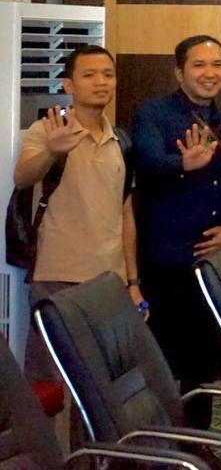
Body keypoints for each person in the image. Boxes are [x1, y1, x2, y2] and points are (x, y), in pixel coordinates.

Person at [13, 45, 141, 379]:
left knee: (103, 378)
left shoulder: (122, 141)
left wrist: (132, 281)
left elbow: (125, 213)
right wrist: (51, 152)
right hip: (57, 276)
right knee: (51, 379)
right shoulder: (47, 130)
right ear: (69, 85)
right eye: (89, 75)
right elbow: (23, 176)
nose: (101, 82)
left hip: (109, 280)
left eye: (108, 75)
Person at [132, 35, 221, 405]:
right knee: (165, 365)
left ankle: (200, 435)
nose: (210, 73)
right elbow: (146, 163)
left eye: (217, 64)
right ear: (179, 73)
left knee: (205, 364)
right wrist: (182, 163)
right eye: (199, 65)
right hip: (167, 261)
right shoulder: (154, 114)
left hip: (214, 263)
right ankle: (164, 438)